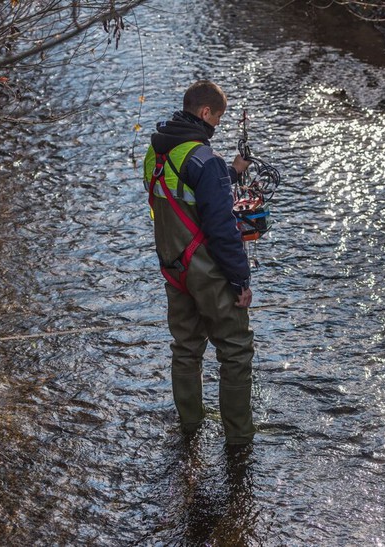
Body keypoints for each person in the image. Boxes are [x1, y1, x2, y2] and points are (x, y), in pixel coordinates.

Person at [143, 80, 255, 445]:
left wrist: (232, 173)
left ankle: (190, 427)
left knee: (187, 348)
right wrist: (240, 281)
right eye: (217, 119)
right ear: (205, 113)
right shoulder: (205, 160)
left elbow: (186, 193)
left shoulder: (156, 154)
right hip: (208, 270)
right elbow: (222, 229)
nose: (217, 126)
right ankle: (239, 440)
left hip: (172, 266)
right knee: (235, 351)